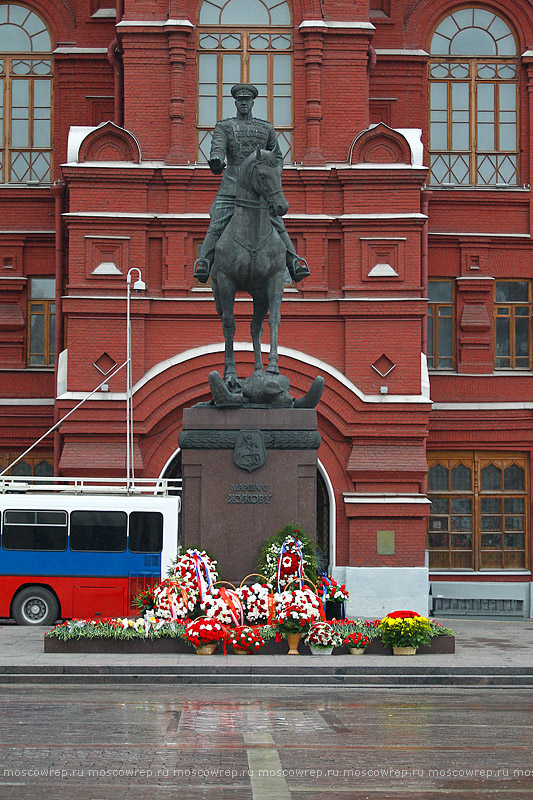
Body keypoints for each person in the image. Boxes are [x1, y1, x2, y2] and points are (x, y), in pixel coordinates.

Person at [193, 83, 310, 284]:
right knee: (217, 220)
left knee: (277, 222)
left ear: (253, 103)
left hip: (260, 191)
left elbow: (278, 158)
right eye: (240, 100)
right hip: (231, 187)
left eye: (247, 100)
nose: (244, 104)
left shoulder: (265, 129)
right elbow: (217, 149)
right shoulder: (225, 127)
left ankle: (294, 261)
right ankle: (204, 261)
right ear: (236, 103)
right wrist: (216, 161)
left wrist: (271, 178)